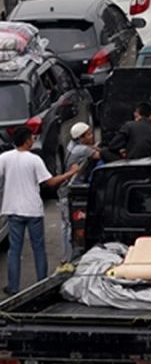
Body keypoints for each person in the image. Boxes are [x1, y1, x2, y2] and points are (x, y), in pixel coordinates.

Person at [1, 126, 79, 294]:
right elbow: (50, 182)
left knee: (14, 250)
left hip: (13, 210)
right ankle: (41, 285)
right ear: (27, 140)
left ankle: (13, 286)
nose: (33, 140)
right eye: (31, 138)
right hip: (33, 210)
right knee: (38, 249)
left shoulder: (4, 158)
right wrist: (70, 173)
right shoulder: (34, 160)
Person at [59, 122, 99, 268]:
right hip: (68, 193)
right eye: (88, 134)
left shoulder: (72, 145)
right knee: (69, 226)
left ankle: (66, 257)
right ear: (81, 138)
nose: (92, 136)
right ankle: (67, 259)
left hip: (64, 191)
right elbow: (98, 154)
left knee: (66, 226)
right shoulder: (81, 150)